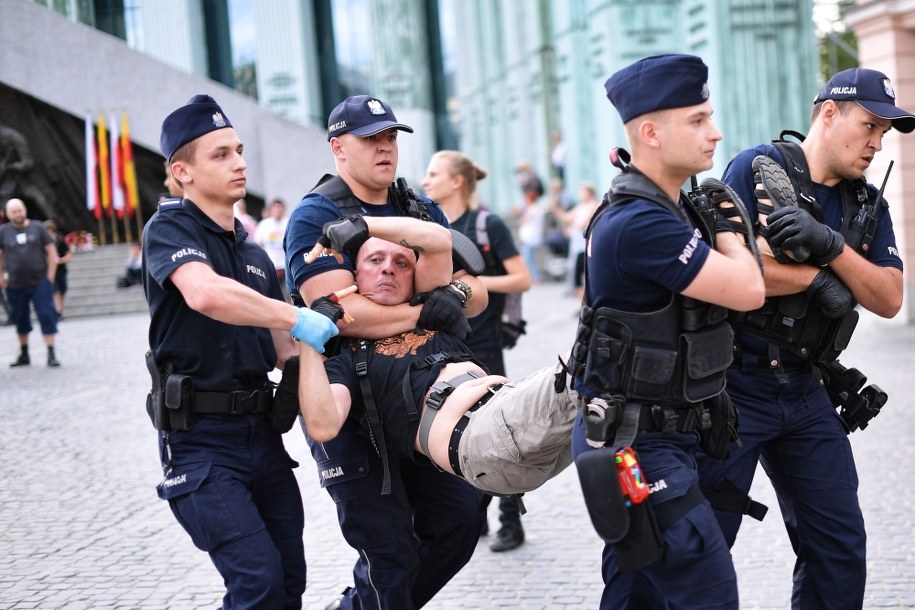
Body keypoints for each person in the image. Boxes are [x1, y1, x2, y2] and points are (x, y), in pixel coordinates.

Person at [696, 67, 910, 610]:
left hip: (807, 388)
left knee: (838, 550)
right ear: (830, 112)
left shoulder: (867, 206)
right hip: (733, 385)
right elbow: (731, 271)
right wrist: (818, 280)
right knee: (699, 545)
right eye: (870, 126)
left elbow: (888, 298)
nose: (876, 143)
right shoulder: (757, 167)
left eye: (884, 133)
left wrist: (833, 248)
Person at [565, 54, 765, 609]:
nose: (715, 132)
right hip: (637, 445)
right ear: (650, 133)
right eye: (698, 120)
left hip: (664, 435)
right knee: (709, 594)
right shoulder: (642, 222)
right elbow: (749, 290)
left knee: (636, 597)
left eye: (711, 116)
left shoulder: (671, 208)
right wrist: (730, 230)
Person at [283, 94, 489, 610]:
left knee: (459, 520)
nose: (385, 149)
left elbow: (476, 289)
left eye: (391, 137)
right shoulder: (316, 216)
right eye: (370, 139)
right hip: (347, 396)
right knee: (388, 550)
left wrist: (455, 297)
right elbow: (341, 313)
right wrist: (427, 312)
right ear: (338, 147)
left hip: (417, 394)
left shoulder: (417, 206)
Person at [142, 94, 339, 610]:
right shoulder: (170, 228)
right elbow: (205, 294)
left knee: (289, 583)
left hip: (262, 436)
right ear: (182, 171)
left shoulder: (252, 251)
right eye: (221, 154)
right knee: (258, 583)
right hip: (201, 443)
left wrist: (336, 342)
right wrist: (295, 316)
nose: (240, 163)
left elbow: (282, 351)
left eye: (240, 150)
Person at [298, 215, 577, 496]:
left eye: (402, 263)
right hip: (478, 440)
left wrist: (362, 225)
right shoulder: (348, 357)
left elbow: (439, 240)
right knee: (590, 363)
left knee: (610, 397)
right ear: (355, 275)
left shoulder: (434, 312)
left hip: (521, 431)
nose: (388, 269)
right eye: (375, 260)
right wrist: (310, 336)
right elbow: (323, 426)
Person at [422, 150, 533, 552]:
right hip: (445, 346)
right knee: (452, 428)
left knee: (498, 432)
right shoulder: (427, 225)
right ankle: (476, 514)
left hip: (484, 344)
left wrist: (471, 284)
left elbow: (522, 278)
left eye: (434, 173)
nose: (426, 180)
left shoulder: (487, 224)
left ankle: (510, 521)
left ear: (457, 181)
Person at [0, 198, 61, 367]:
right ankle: (24, 352)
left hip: (40, 281)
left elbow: (51, 250)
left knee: (46, 314)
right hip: (15, 283)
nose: (18, 214)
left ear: (25, 210)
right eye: (14, 212)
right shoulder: (3, 231)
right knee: (19, 317)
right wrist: (1, 276)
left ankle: (51, 352)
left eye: (20, 210)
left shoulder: (38, 227)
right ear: (8, 214)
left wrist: (50, 275)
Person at [555, 182, 599, 301]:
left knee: (588, 278)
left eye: (583, 193)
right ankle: (583, 305)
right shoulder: (580, 206)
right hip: (577, 247)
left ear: (590, 194)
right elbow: (566, 217)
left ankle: (589, 304)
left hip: (586, 247)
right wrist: (555, 207)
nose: (580, 195)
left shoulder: (593, 205)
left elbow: (583, 223)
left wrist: (571, 228)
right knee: (577, 278)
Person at [255, 198, 288, 286]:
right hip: (270, 265)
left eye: (280, 208)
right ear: (271, 209)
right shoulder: (264, 224)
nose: (278, 210)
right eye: (276, 207)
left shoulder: (288, 223)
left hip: (286, 266)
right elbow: (257, 244)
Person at [43, 219, 72, 319]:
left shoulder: (60, 241)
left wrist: (60, 260)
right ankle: (58, 311)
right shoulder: (42, 243)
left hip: (61, 270)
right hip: (50, 270)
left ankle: (59, 310)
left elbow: (69, 256)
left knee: (62, 289)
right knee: (56, 290)